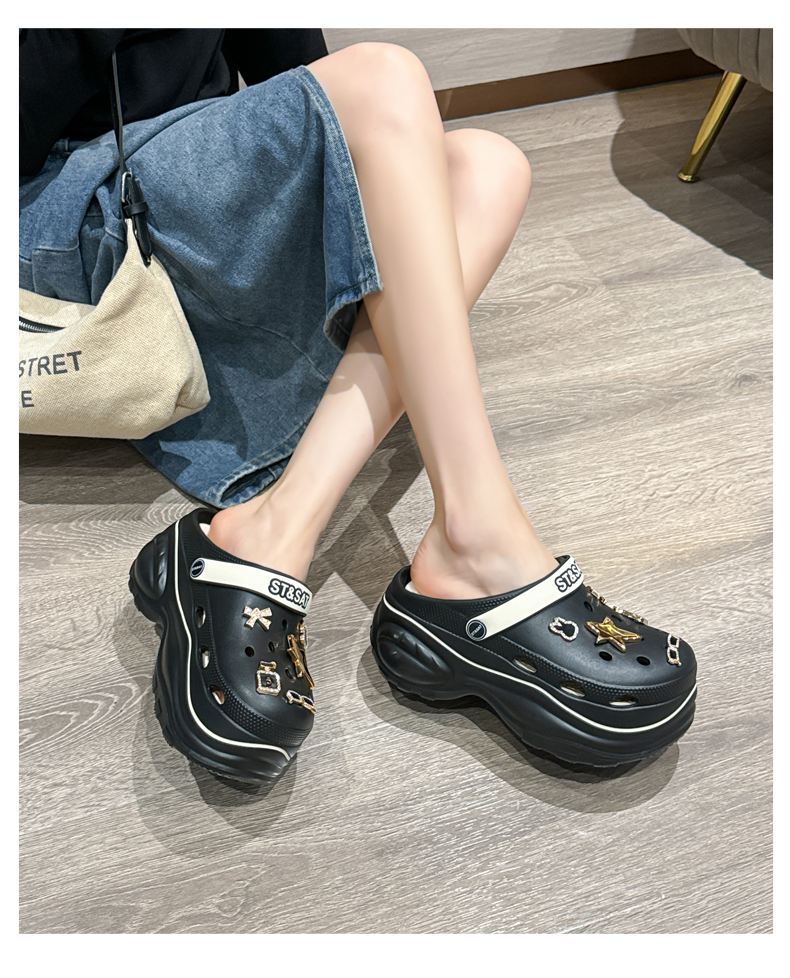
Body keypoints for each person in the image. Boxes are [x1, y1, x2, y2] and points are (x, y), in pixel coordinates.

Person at [20, 29, 697, 785]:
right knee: (383, 77)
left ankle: (281, 528)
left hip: (184, 201)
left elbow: (302, 79)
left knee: (486, 166)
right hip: (61, 219)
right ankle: (473, 545)